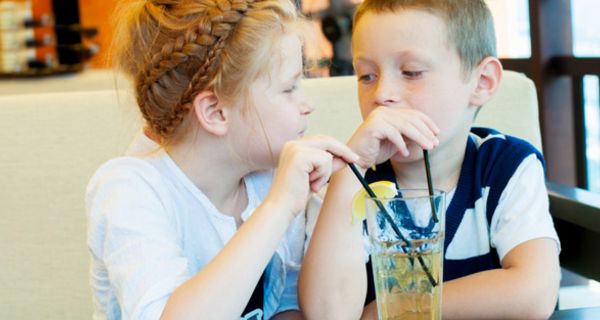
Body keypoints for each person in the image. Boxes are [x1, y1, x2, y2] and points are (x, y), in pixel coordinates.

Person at [85, 0, 359, 319]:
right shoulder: (129, 191)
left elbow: (288, 306)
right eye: (289, 88)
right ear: (215, 112)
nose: (307, 104)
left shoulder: (268, 177)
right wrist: (279, 207)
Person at [298, 0, 561, 319]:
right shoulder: (345, 182)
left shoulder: (507, 167)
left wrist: (389, 310)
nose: (382, 94)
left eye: (411, 72)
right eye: (367, 76)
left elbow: (534, 292)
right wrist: (348, 178)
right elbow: (328, 315)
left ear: (482, 82)